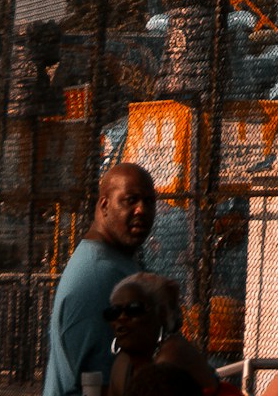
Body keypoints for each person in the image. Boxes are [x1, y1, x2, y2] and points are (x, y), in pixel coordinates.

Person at [43, 164, 158, 396]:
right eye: (130, 200)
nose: (141, 210)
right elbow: (96, 385)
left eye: (149, 201)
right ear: (104, 205)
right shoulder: (101, 276)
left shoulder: (114, 263)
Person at [107, 276, 217, 396]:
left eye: (134, 309)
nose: (122, 318)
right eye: (114, 312)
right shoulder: (123, 363)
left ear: (161, 315)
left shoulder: (172, 355)